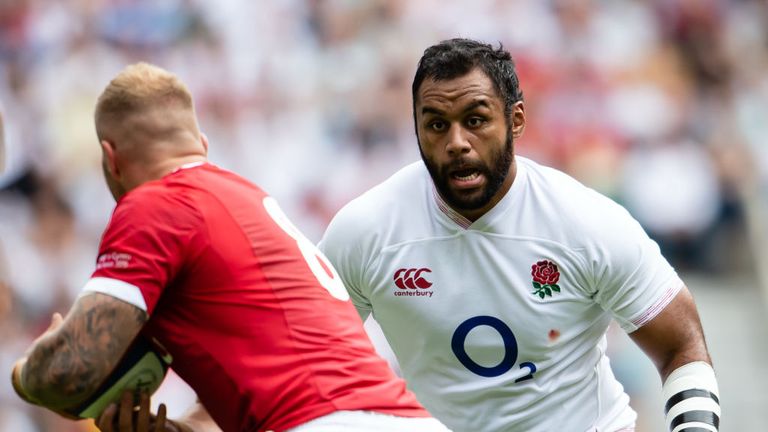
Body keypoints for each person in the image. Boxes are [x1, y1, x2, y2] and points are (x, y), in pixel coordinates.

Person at [10, 62, 450, 432]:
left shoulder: (156, 203)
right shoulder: (246, 198)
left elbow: (71, 369)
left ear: (111, 158)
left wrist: (26, 371)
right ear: (201, 145)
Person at [318, 38, 721, 432]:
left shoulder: (585, 223)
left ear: (516, 120)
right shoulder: (365, 231)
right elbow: (308, 355)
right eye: (437, 124)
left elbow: (680, 345)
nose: (456, 143)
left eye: (475, 120)